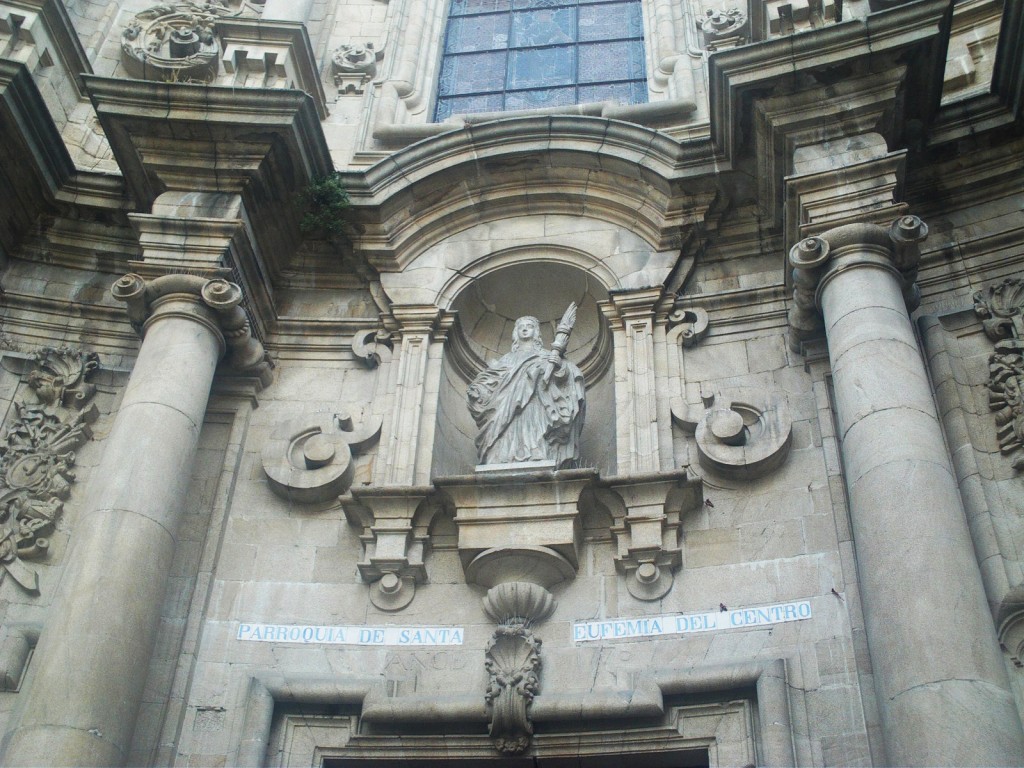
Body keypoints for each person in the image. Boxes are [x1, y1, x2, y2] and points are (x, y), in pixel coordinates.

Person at [467, 315, 585, 467]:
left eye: (529, 326)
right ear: (515, 332)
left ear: (536, 332)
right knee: (507, 435)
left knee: (534, 433)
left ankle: (537, 454)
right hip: (506, 409)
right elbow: (492, 381)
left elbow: (569, 376)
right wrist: (478, 391)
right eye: (520, 326)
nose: (524, 329)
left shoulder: (546, 355)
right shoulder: (507, 359)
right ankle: (503, 457)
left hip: (537, 406)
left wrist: (560, 366)